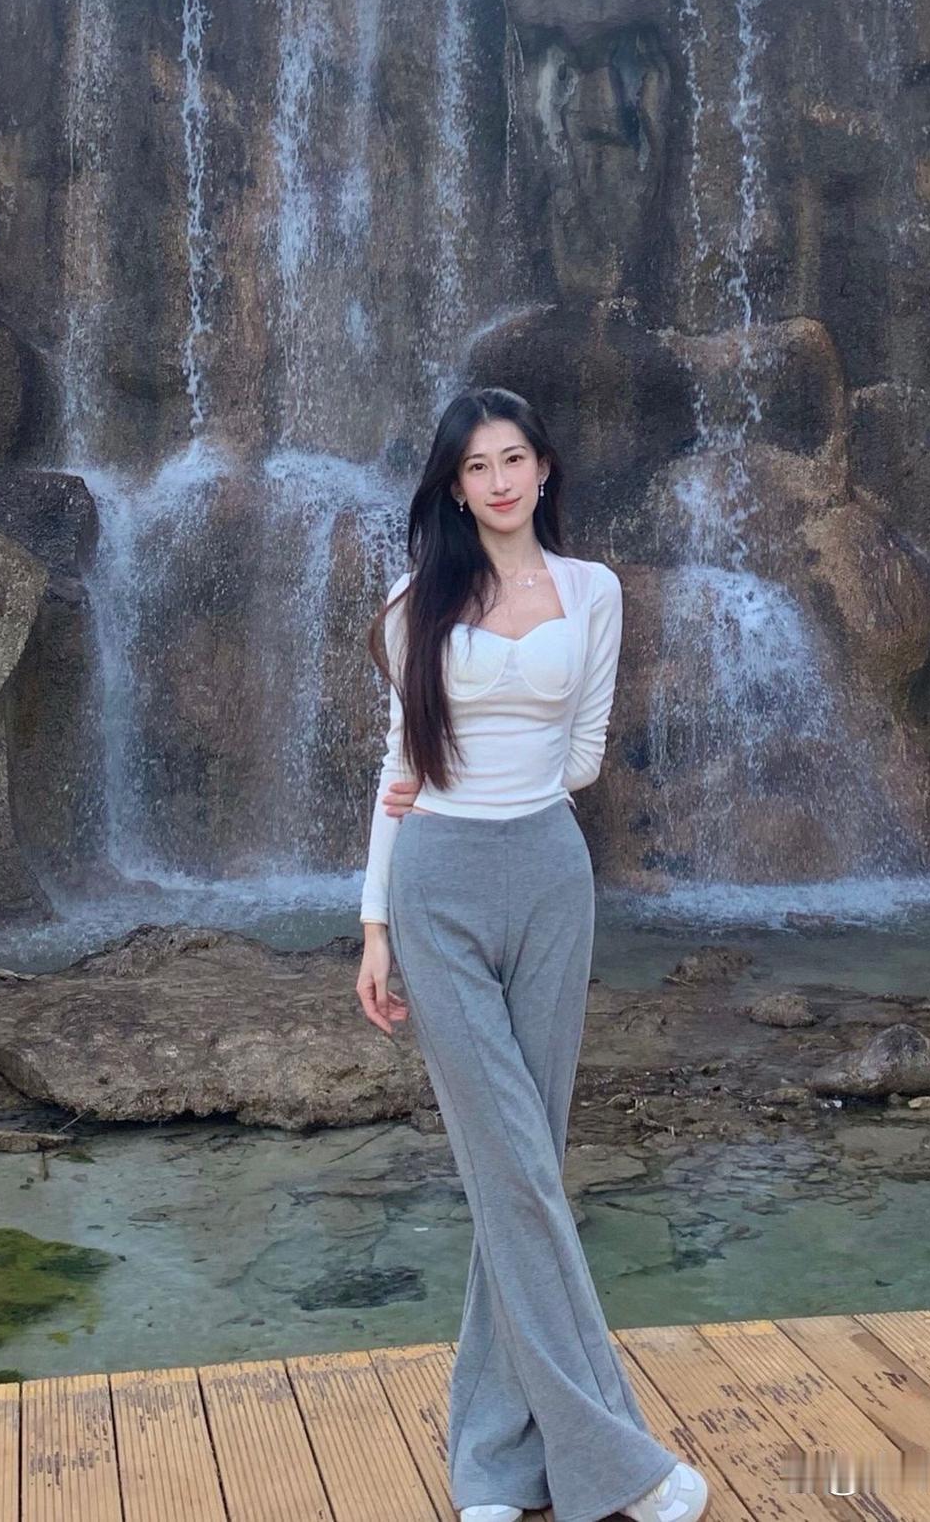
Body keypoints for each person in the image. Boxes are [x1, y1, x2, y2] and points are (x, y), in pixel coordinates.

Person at [355, 388, 710, 1522]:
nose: (499, 481)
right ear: (454, 487)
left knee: (527, 1169)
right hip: (439, 884)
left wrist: (509, 784)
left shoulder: (594, 590)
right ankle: (617, 1463)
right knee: (512, 1163)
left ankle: (496, 1469)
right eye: (477, 466)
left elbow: (585, 752)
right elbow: (399, 766)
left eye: (514, 459)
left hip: (552, 876)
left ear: (543, 468)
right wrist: (374, 924)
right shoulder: (412, 602)